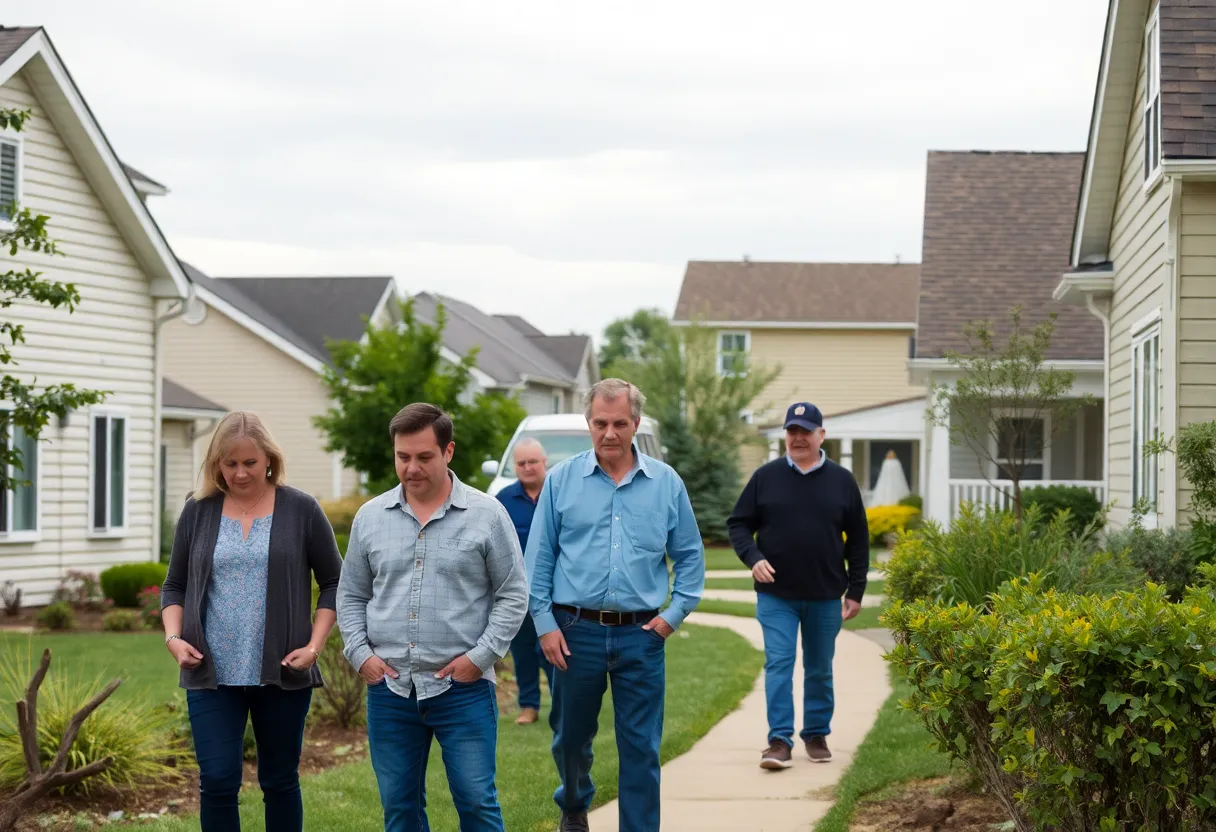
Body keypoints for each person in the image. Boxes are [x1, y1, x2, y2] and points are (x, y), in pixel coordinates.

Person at [337, 403, 528, 832]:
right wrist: (360, 655)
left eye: (424, 457)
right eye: (403, 457)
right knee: (400, 811)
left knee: (477, 804)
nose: (412, 467)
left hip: (463, 689)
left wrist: (480, 658)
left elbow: (514, 594)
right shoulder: (370, 518)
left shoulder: (487, 514)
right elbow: (350, 595)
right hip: (390, 689)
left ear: (448, 452)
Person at [527, 378, 705, 832]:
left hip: (641, 636)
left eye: (619, 423)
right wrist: (545, 624)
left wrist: (672, 617)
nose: (610, 432)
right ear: (588, 424)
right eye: (600, 423)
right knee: (570, 740)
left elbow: (689, 558)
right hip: (574, 633)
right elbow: (539, 559)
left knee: (641, 747)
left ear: (636, 424)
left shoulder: (666, 484)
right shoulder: (561, 482)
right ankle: (573, 804)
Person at [160, 411, 343, 832]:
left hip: (282, 670)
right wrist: (173, 637)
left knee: (279, 780)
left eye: (249, 463)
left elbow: (334, 582)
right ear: (216, 464)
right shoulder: (198, 511)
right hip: (211, 672)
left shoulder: (301, 509)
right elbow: (173, 587)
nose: (240, 473)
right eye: (230, 464)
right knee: (218, 780)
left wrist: (314, 647)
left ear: (269, 460)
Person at [726, 402, 869, 770]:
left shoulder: (842, 481)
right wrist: (754, 558)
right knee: (779, 664)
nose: (798, 438)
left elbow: (858, 540)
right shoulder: (765, 477)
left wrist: (855, 591)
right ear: (785, 436)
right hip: (777, 595)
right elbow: (739, 524)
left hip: (825, 595)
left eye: (806, 431)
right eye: (793, 431)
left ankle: (816, 733)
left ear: (822, 435)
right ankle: (779, 741)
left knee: (819, 667)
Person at [495, 437, 555, 725]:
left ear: (545, 464)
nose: (528, 467)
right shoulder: (503, 500)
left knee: (554, 650)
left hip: (557, 591)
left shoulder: (558, 495)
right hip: (517, 591)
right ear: (515, 466)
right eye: (522, 463)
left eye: (533, 462)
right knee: (523, 651)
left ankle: (562, 705)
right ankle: (529, 706)